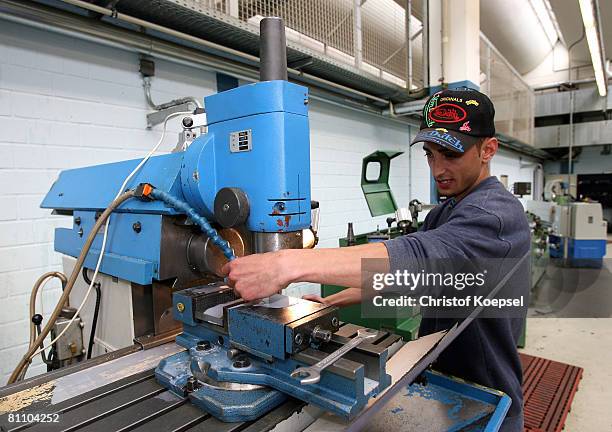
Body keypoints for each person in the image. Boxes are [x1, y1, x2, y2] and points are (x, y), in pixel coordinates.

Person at [221, 88, 530, 432]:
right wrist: (330, 302)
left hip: (485, 401)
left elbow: (420, 259)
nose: (437, 168)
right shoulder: (446, 211)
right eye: (429, 154)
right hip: (442, 386)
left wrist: (286, 265)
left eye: (450, 155)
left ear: (488, 149)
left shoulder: (496, 214)